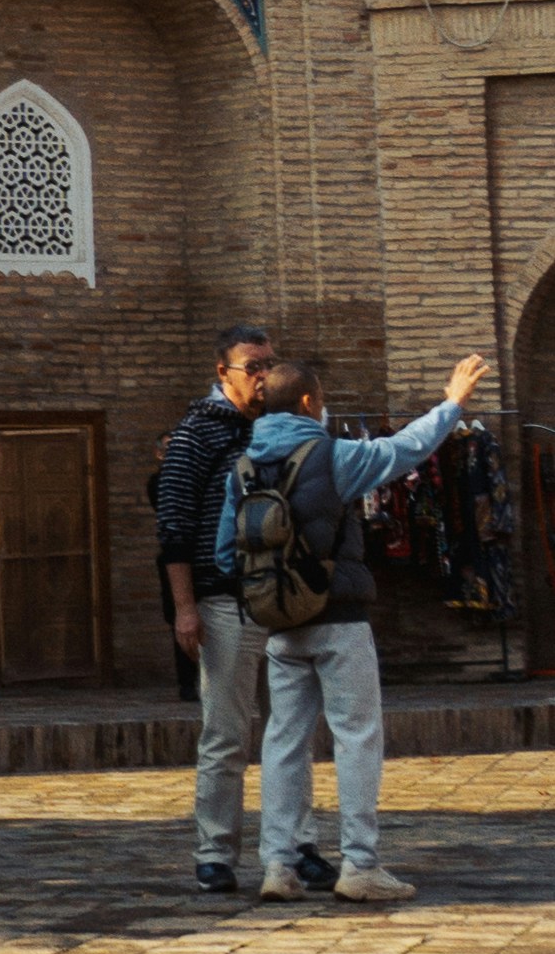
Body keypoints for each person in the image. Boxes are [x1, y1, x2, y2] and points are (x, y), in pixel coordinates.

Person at [211, 345, 493, 906]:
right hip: (339, 620)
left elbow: (225, 557)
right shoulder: (333, 456)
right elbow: (406, 449)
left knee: (284, 743)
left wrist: (277, 586)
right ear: (311, 402)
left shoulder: (242, 470)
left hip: (280, 627)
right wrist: (452, 404)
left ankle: (278, 867)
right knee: (356, 738)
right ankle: (360, 865)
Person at [156, 321, 277, 900]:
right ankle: (215, 854)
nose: (263, 377)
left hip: (281, 601)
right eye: (252, 366)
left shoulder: (275, 431)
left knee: (289, 733)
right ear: (222, 372)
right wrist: (185, 608)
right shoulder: (195, 434)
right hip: (225, 602)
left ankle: (290, 850)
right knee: (227, 733)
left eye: (268, 365)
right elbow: (174, 526)